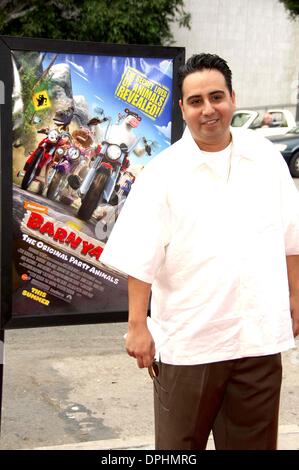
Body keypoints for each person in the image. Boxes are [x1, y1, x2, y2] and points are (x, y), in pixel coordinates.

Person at [100, 53, 299, 450]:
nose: (208, 109)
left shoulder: (266, 160)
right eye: (196, 101)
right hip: (190, 345)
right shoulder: (162, 174)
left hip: (258, 340)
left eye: (216, 97)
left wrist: (296, 296)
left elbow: (291, 238)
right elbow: (141, 256)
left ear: (232, 98)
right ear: (183, 108)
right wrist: (137, 325)